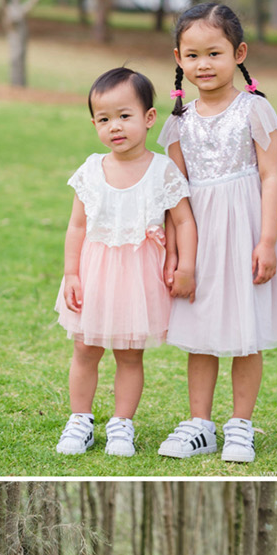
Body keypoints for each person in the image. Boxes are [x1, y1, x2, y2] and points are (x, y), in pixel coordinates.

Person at [157, 3, 277, 464]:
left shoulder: (255, 111)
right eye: (193, 55)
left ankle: (240, 424)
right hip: (198, 236)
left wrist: (266, 240)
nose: (203, 65)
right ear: (179, 60)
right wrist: (176, 256)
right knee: (201, 329)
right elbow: (174, 194)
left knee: (247, 330)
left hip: (245, 229)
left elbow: (270, 177)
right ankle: (199, 423)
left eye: (214, 53)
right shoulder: (177, 125)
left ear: (238, 52)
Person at [54, 68, 195, 458]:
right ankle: (80, 420)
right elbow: (76, 226)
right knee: (85, 349)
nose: (114, 126)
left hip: (138, 279)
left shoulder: (162, 170)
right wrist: (71, 273)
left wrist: (184, 264)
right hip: (94, 273)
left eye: (124, 116)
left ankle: (122, 424)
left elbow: (183, 220)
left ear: (149, 118)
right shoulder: (91, 169)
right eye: (104, 119)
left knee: (130, 355)